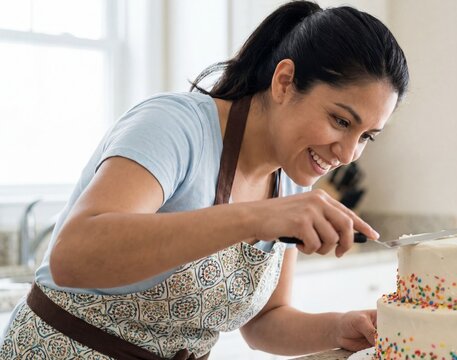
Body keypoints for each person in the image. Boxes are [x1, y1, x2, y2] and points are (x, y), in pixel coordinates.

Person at [0, 1, 409, 358]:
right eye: (340, 121)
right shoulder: (175, 125)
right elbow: (74, 257)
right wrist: (260, 217)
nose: (348, 153)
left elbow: (266, 321)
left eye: (366, 137)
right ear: (284, 82)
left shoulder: (292, 178)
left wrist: (338, 328)